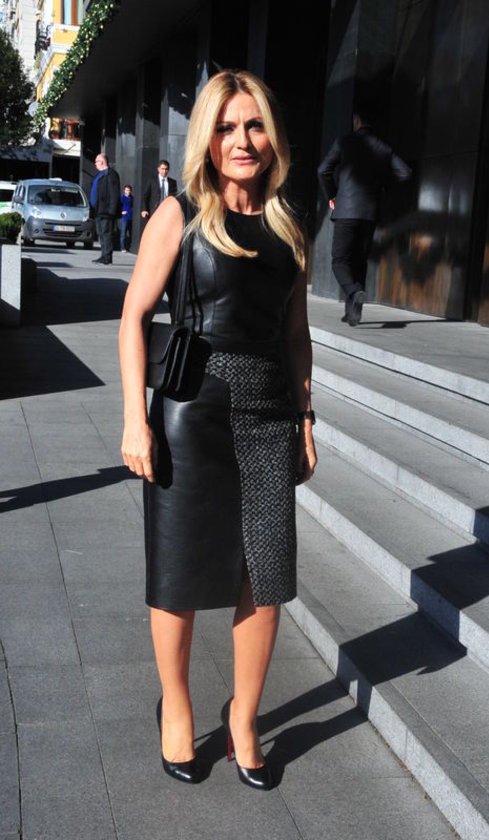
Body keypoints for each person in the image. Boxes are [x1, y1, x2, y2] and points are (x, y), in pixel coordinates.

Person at [119, 70, 317, 791]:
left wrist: (304, 419)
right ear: (207, 137)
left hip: (267, 416)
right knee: (177, 572)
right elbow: (134, 316)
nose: (242, 141)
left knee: (264, 575)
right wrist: (134, 419)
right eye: (228, 127)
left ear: (272, 137)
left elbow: (295, 335)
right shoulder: (180, 215)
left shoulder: (290, 227)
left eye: (255, 125)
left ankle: (244, 718)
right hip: (188, 413)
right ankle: (176, 707)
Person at [318, 112, 411, 325]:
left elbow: (323, 171)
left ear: (357, 120)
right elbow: (405, 173)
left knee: (340, 261)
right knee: (359, 261)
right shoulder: (383, 146)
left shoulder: (344, 142)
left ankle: (354, 291)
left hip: (345, 211)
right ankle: (353, 313)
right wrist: (382, 187)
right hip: (369, 213)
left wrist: (332, 195)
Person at [90, 152, 121, 265]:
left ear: (102, 162)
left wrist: (112, 210)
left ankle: (107, 257)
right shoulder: (99, 175)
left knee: (106, 233)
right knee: (101, 233)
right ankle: (103, 255)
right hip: (98, 210)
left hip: (106, 210)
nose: (95, 164)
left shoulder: (111, 174)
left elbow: (114, 193)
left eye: (96, 162)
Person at [120, 184, 133, 252]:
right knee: (123, 233)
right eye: (127, 190)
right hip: (124, 218)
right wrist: (121, 212)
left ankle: (129, 247)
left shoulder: (132, 198)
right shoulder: (122, 198)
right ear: (124, 190)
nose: (128, 191)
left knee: (130, 233)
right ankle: (122, 247)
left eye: (129, 190)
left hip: (130, 217)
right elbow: (118, 205)